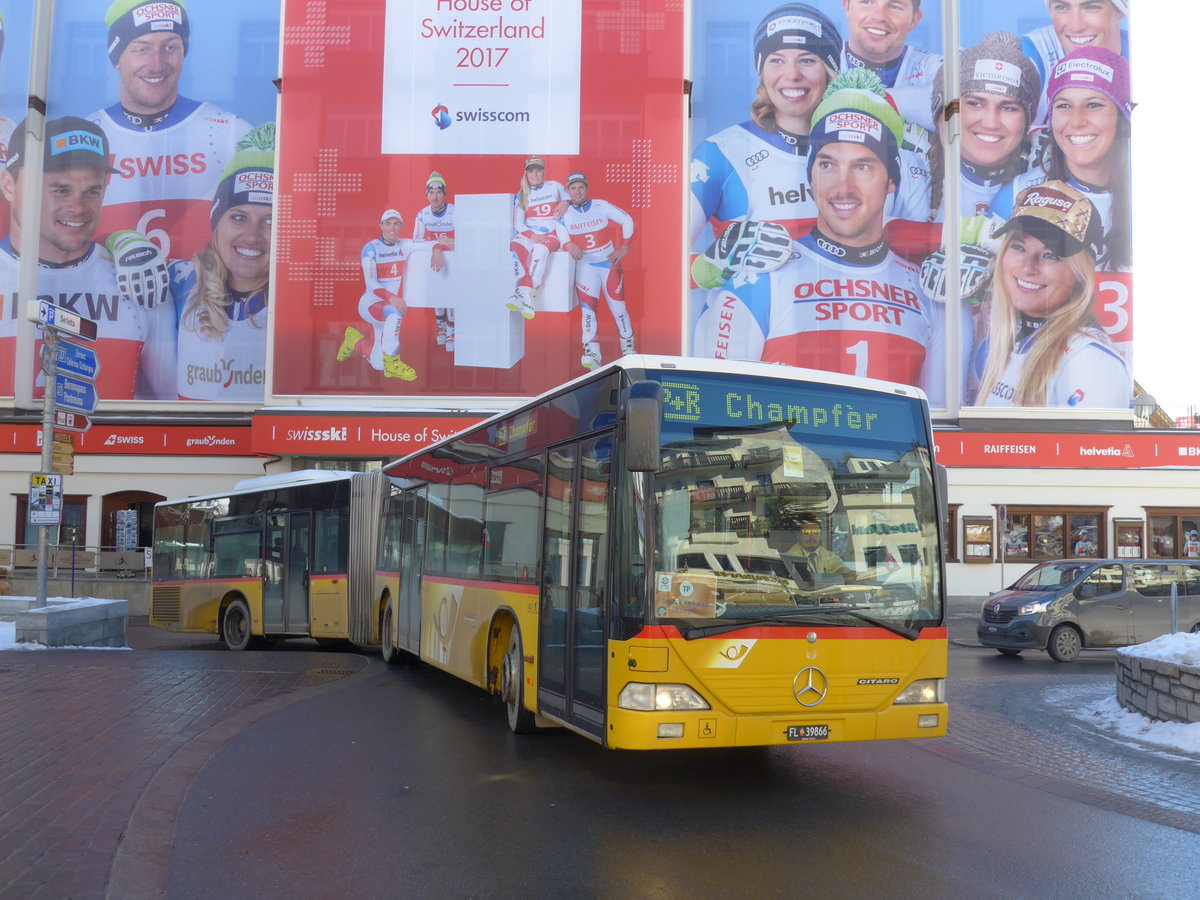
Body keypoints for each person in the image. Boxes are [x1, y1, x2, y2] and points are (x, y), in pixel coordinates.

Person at [693, 70, 966, 407]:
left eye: (863, 166)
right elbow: (715, 419)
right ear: (810, 176)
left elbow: (935, 430)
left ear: (891, 181)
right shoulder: (757, 282)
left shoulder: (925, 294)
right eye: (826, 165)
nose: (842, 187)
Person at [87, 0, 255, 399]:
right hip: (112, 324)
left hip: (209, 330)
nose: (157, 63)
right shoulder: (88, 136)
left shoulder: (228, 132)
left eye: (171, 46)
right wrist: (116, 239)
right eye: (141, 48)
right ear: (116, 56)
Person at [0, 116, 145, 400]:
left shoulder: (134, 279)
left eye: (92, 191)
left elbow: (163, 412)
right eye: (59, 190)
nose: (77, 208)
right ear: (9, 185)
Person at [974, 180, 1131, 408]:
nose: (1028, 267)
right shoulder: (1004, 344)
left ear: (1080, 273)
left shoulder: (1088, 361)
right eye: (1019, 247)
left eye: (1050, 255)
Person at [995, 46, 1132, 274]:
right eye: (1064, 106)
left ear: (1122, 115)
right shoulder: (1016, 196)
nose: (1077, 121)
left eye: (1093, 105)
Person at [173, 144, 273, 401]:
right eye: (239, 217)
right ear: (217, 225)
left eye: (270, 221)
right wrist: (122, 240)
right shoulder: (181, 281)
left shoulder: (295, 301)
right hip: (192, 439)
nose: (252, 236)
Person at [554, 172, 637, 370]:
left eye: (581, 187)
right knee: (588, 310)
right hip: (586, 266)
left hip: (608, 264)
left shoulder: (600, 205)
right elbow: (561, 236)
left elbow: (628, 220)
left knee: (619, 310)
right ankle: (592, 351)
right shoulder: (563, 213)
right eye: (573, 188)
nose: (577, 191)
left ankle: (628, 346)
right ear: (568, 190)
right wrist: (568, 246)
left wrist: (624, 248)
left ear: (586, 188)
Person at [335, 209, 418, 381]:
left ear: (401, 225)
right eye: (388, 223)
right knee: (394, 313)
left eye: (396, 223)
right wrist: (392, 297)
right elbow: (371, 284)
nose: (392, 228)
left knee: (377, 364)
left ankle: (353, 339)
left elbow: (427, 245)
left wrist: (439, 247)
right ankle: (393, 361)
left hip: (385, 307)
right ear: (381, 225)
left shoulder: (405, 245)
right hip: (370, 304)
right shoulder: (371, 248)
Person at [839, 0, 941, 132]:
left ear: (914, 20)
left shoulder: (932, 67)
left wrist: (878, 102)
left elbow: (960, 107)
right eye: (867, 2)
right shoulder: (816, 62)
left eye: (895, 6)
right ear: (846, 6)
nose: (879, 16)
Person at [1022, 0, 1129, 125]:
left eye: (1092, 7)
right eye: (1062, 7)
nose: (1076, 27)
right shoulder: (1031, 53)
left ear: (1120, 10)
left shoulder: (1145, 57)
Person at [505, 156, 567, 319]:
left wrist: (565, 203)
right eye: (531, 171)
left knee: (539, 252)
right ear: (526, 174)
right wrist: (532, 236)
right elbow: (518, 224)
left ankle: (524, 295)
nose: (535, 174)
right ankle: (527, 297)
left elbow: (570, 198)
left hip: (550, 233)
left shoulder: (555, 186)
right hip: (530, 232)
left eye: (538, 170)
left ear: (543, 172)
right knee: (515, 248)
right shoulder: (522, 194)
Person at [413, 171, 455, 351]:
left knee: (452, 291)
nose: (435, 197)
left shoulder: (455, 211)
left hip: (454, 258)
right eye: (431, 193)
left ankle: (453, 328)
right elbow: (416, 243)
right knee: (436, 285)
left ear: (444, 194)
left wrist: (442, 246)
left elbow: (464, 239)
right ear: (426, 195)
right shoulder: (422, 215)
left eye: (439, 193)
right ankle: (441, 326)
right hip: (435, 259)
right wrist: (437, 244)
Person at [792, 515, 854, 583]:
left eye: (816, 532)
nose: (812, 537)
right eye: (806, 532)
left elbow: (844, 571)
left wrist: (843, 573)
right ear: (798, 535)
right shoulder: (790, 557)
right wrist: (831, 577)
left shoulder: (829, 555)